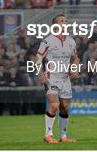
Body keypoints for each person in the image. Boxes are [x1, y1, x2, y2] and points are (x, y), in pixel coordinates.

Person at [35, 14, 79, 143]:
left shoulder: (71, 41)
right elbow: (38, 58)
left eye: (66, 21)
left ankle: (63, 137)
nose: (64, 23)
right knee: (54, 105)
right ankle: (48, 135)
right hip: (51, 77)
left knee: (64, 107)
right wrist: (40, 73)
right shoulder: (47, 41)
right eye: (61, 21)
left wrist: (75, 68)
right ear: (55, 25)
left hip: (65, 78)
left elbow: (75, 58)